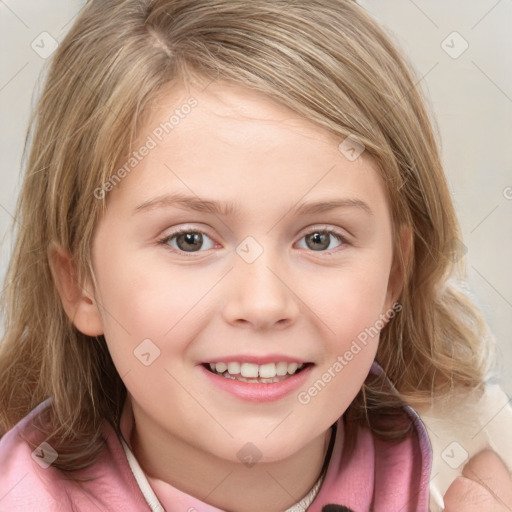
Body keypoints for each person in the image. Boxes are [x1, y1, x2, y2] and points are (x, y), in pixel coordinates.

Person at [0, 1, 510, 510]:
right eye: (189, 240)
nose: (264, 303)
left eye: (320, 239)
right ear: (79, 284)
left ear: (394, 275)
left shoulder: (472, 471)